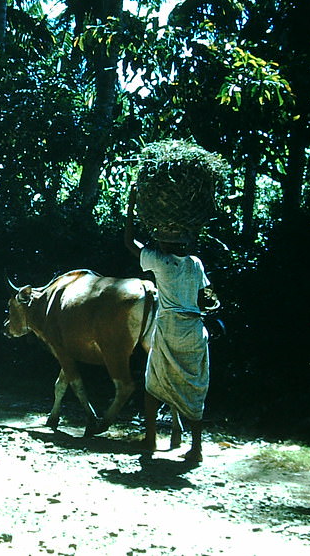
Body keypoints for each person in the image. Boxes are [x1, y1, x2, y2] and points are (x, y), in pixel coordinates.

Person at [124, 185, 218, 463]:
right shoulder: (196, 263)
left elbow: (130, 243)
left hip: (169, 329)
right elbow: (208, 297)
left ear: (164, 243)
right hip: (195, 331)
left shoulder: (160, 261)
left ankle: (151, 439)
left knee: (153, 383)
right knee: (195, 385)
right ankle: (196, 447)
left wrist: (130, 206)